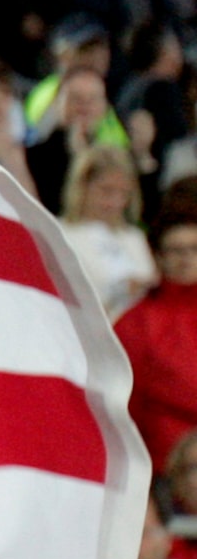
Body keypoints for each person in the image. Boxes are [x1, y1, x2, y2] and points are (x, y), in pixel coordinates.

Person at [118, 210, 197, 472]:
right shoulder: (136, 321)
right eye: (176, 251)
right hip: (168, 460)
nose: (186, 258)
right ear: (159, 257)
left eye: (193, 249)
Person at [56, 141, 155, 318]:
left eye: (123, 193)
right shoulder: (60, 233)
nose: (115, 202)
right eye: (106, 191)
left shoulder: (134, 237)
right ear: (82, 186)